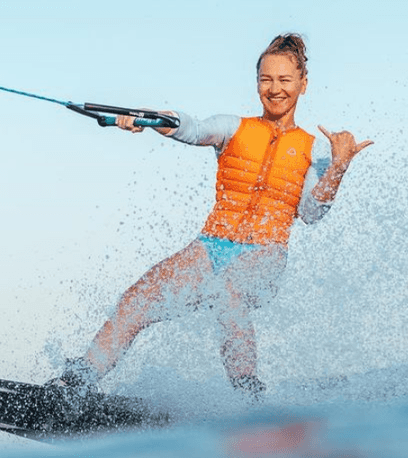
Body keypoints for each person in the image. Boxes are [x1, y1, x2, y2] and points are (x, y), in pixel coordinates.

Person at [52, 33, 372, 400]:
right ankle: (74, 387)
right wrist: (153, 119)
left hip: (264, 254)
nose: (275, 89)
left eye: (285, 80)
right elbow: (193, 128)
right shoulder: (234, 127)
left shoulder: (312, 150)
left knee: (228, 292)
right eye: (266, 80)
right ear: (256, 83)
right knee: (137, 299)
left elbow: (312, 213)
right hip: (210, 246)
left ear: (303, 84)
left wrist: (339, 167)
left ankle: (249, 400)